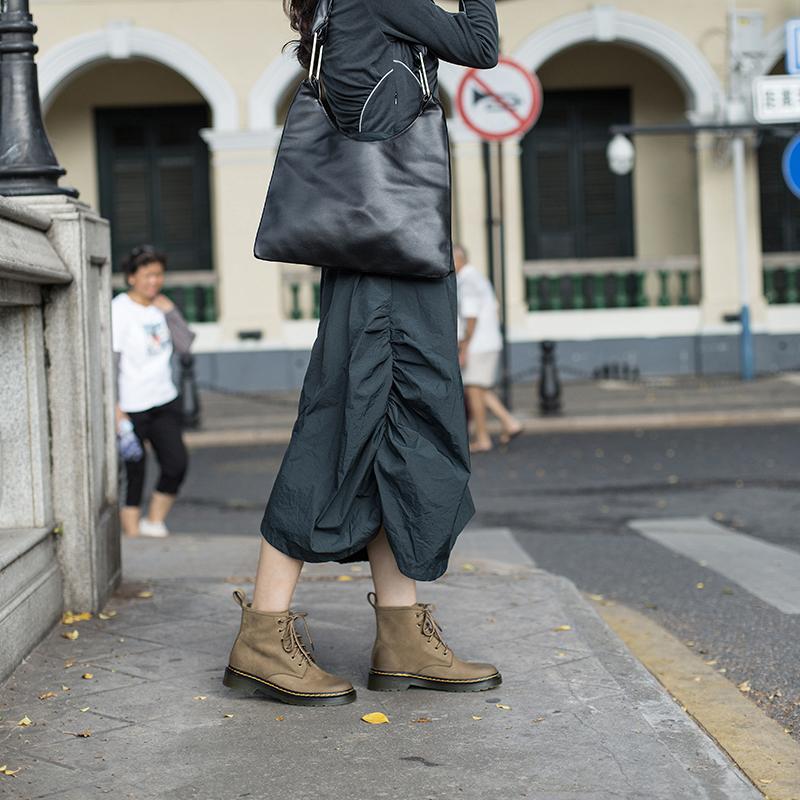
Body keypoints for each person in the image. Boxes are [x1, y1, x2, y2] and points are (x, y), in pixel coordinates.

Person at [223, 0, 502, 706]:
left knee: (400, 440)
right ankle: (263, 631)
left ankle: (401, 634)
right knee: (339, 428)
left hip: (404, 267)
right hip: (383, 276)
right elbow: (479, 44)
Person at [112, 245, 196, 538]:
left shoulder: (161, 307)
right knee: (133, 473)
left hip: (164, 400)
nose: (154, 281)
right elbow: (111, 361)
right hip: (131, 404)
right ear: (131, 277)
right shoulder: (119, 310)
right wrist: (114, 407)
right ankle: (133, 537)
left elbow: (185, 344)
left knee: (176, 464)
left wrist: (170, 311)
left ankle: (154, 521)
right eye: (147, 275)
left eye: (158, 275)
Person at [455, 244, 522, 453]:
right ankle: (509, 422)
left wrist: (464, 348)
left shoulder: (468, 282)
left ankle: (483, 438)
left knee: (474, 389)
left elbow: (471, 318)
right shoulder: (474, 279)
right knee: (478, 388)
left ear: (458, 260)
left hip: (478, 344)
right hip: (484, 342)